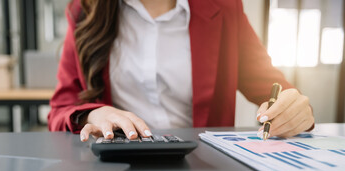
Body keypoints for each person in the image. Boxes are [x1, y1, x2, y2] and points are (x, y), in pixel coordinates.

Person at [48, 0, 314, 142]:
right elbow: (60, 109)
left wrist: (293, 109)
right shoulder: (84, 11)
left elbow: (274, 90)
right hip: (116, 168)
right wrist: (93, 114)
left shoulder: (224, 6)